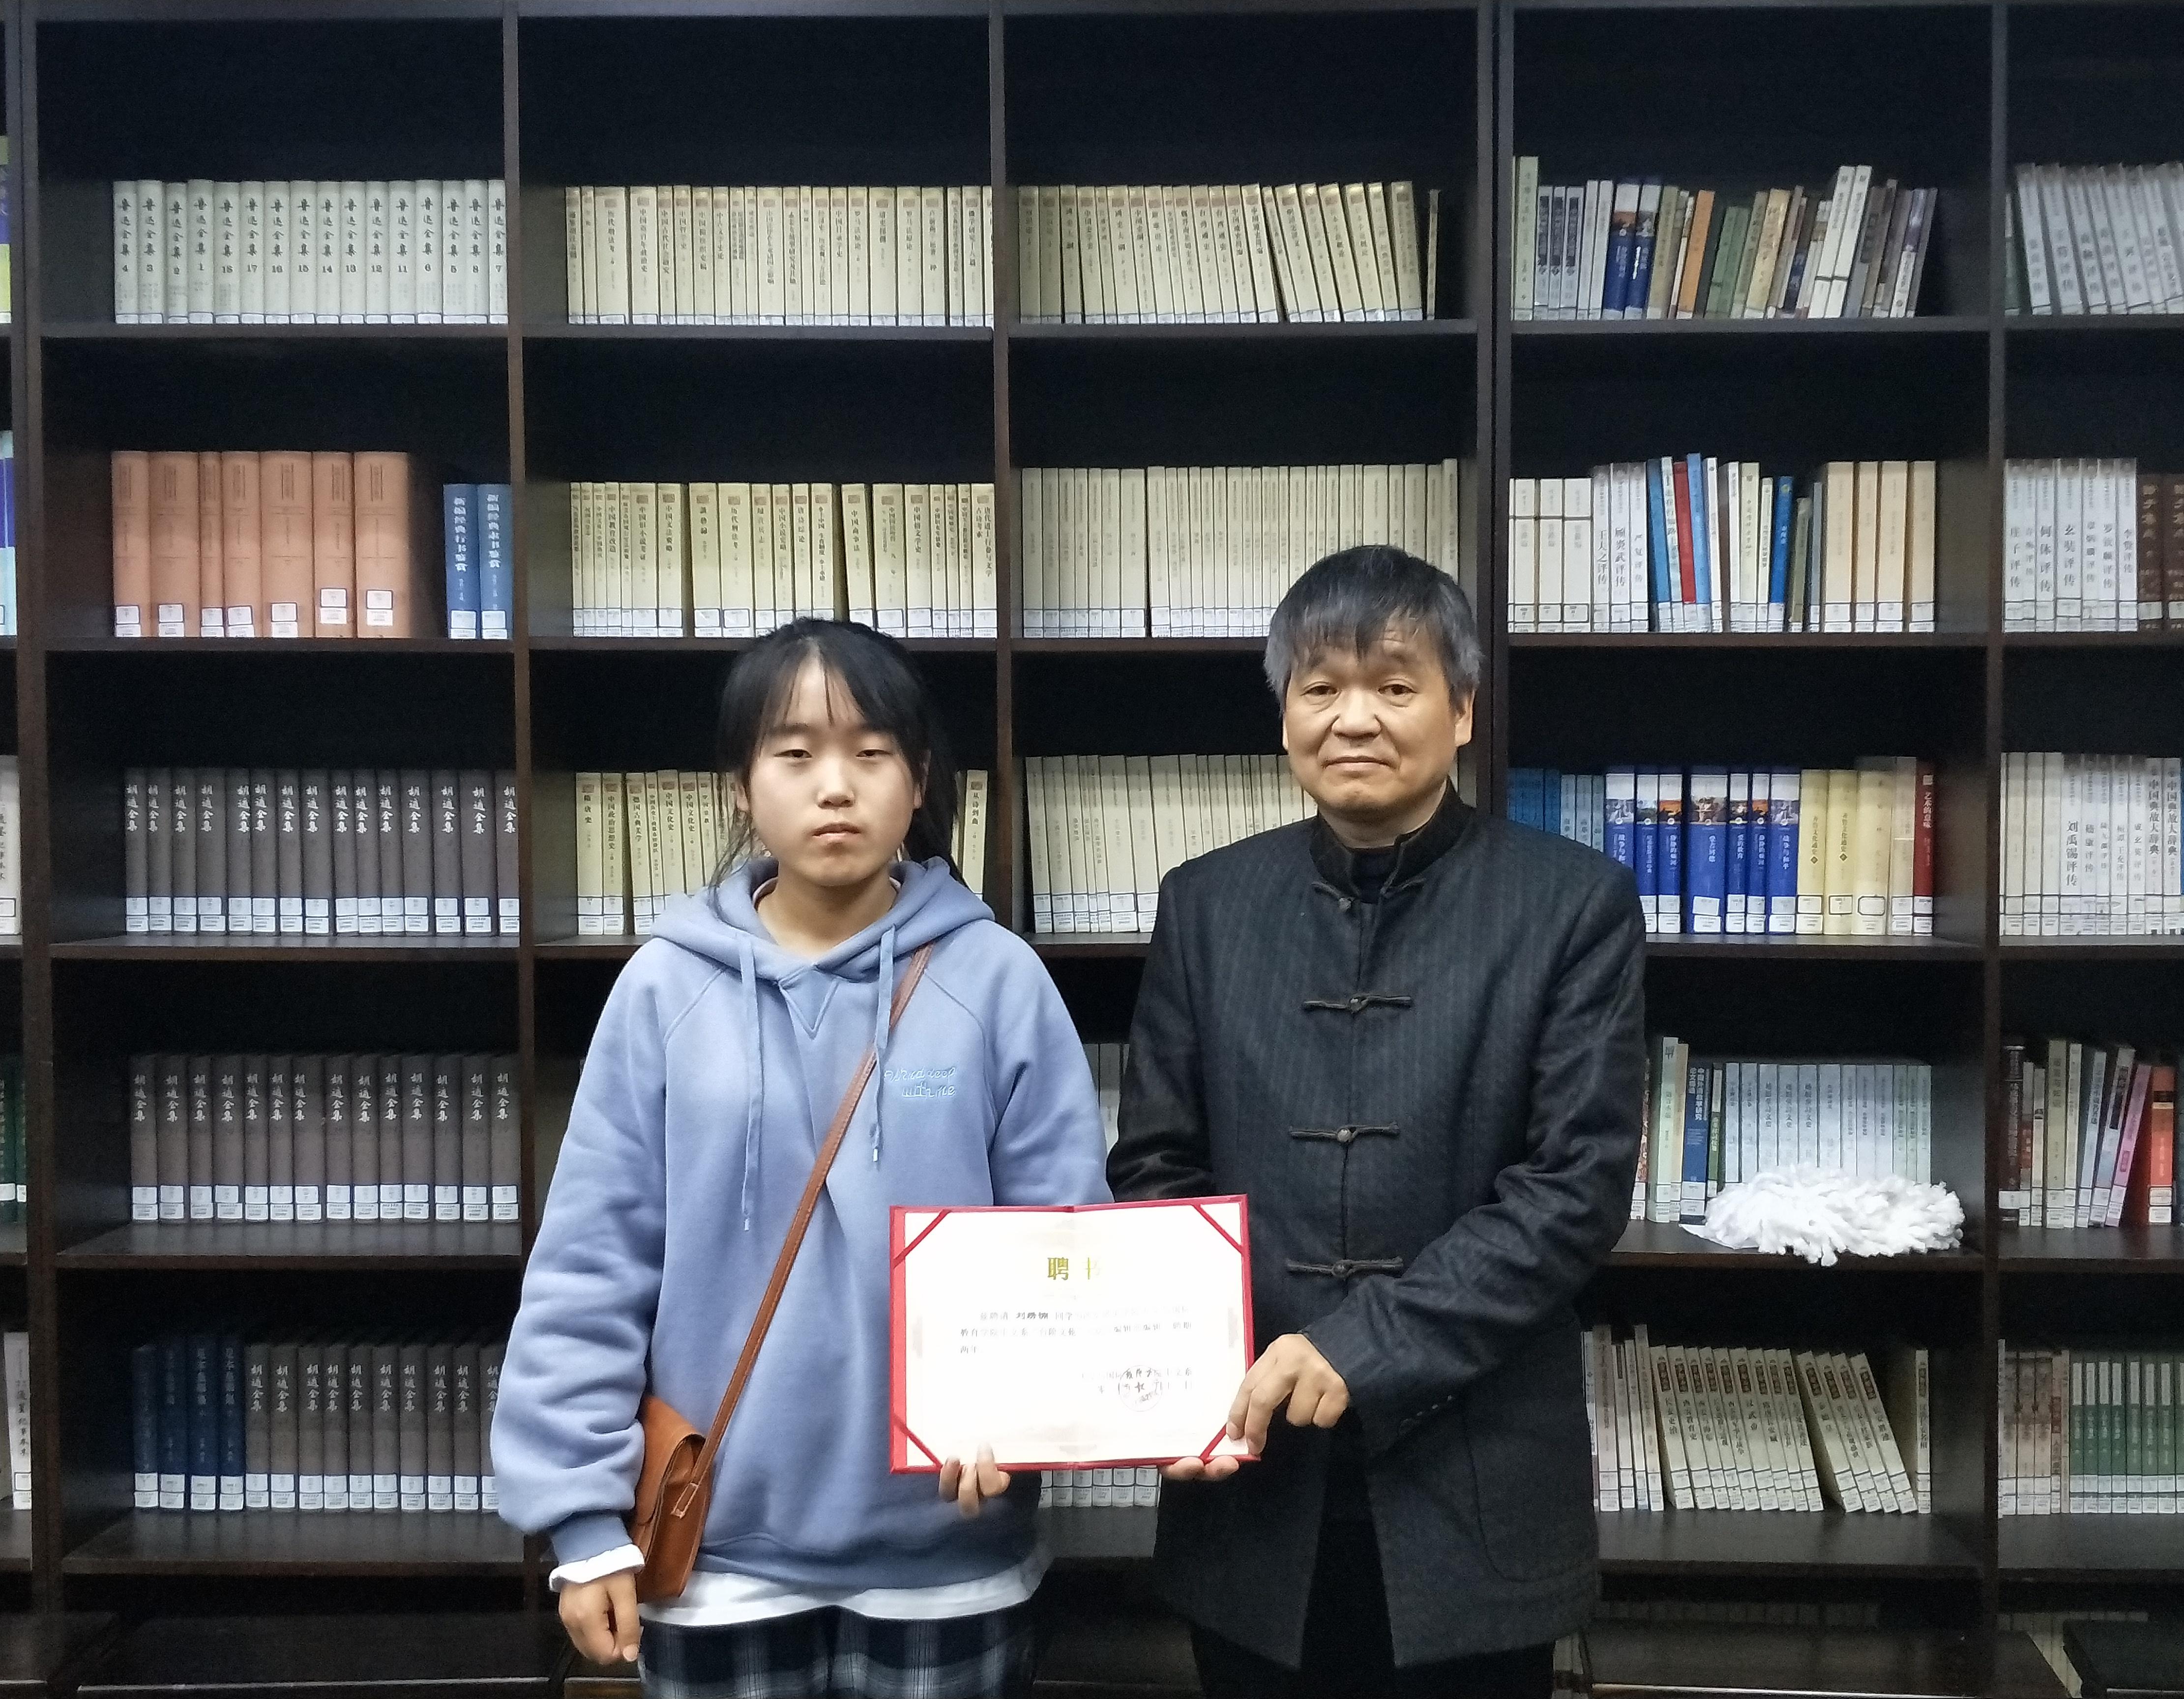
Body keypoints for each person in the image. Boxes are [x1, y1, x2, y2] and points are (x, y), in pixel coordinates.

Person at [494, 619, 1110, 1699]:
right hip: (715, 1563)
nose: (836, 787)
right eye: (795, 754)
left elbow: (1068, 1242)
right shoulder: (664, 990)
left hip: (948, 1561)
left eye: (872, 754)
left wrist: (1028, 1416)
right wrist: (582, 1523)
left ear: (919, 782)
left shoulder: (998, 980)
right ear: (741, 786)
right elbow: (592, 1262)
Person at [1108, 547, 1646, 1699]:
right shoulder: (1205, 904)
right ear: (1286, 715)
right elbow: (1157, 1165)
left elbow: (1574, 1190)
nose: (1354, 718)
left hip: (1476, 1481)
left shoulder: (1573, 904)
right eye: (1321, 687)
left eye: (1395, 685)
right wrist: (1192, 1362)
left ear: (1462, 710)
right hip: (1252, 1481)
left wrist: (1359, 1348)